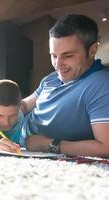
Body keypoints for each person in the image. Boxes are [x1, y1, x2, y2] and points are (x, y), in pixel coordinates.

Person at [21, 14, 109, 158]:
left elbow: (106, 147)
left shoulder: (102, 84)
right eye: (54, 55)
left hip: (28, 148)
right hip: (5, 133)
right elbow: (25, 105)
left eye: (67, 55)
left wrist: (48, 144)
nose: (58, 64)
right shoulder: (51, 78)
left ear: (92, 50)